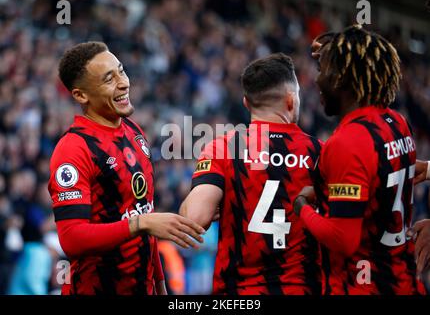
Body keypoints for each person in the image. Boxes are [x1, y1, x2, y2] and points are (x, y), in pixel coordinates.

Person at [48, 42, 205, 295]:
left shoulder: (133, 132)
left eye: (121, 71)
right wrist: (139, 223)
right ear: (80, 95)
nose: (123, 83)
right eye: (109, 79)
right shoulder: (74, 149)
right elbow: (71, 239)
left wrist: (160, 283)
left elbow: (144, 211)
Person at [293, 24, 426, 294]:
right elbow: (372, 187)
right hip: (402, 281)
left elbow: (343, 239)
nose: (317, 81)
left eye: (323, 71)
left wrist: (302, 207)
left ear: (342, 78)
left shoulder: (346, 143)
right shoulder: (397, 122)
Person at [180, 53, 323, 295]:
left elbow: (193, 220)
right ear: (291, 100)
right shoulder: (319, 152)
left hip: (237, 292)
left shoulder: (223, 147)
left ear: (247, 103)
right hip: (302, 288)